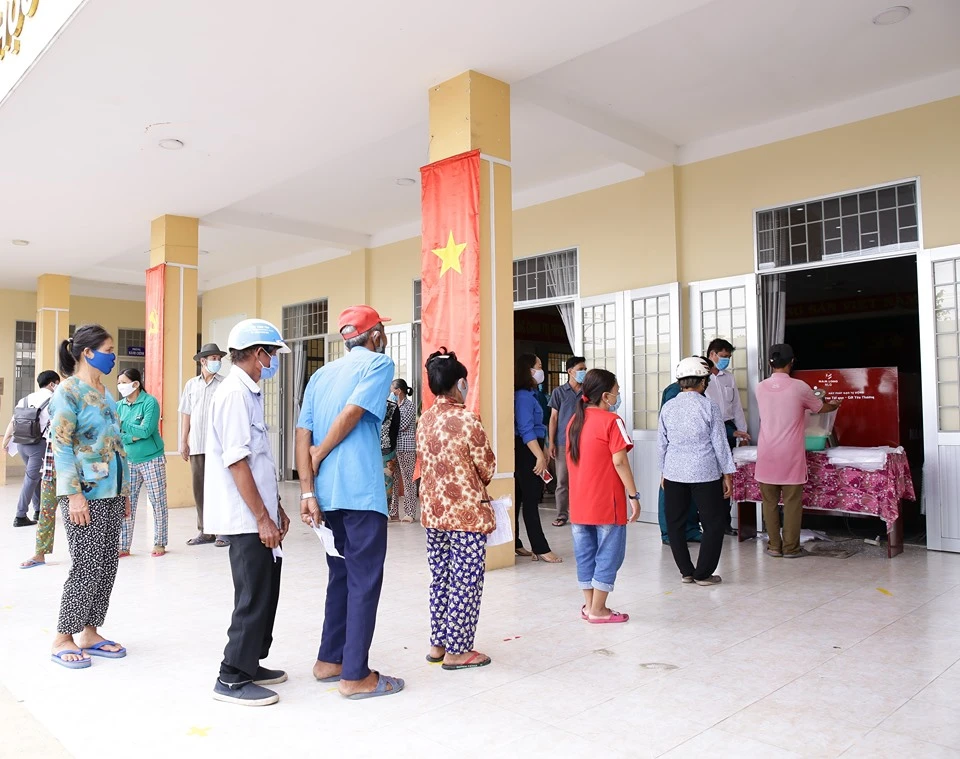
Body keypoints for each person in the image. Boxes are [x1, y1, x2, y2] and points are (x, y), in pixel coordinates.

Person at [297, 305, 405, 700]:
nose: (384, 338)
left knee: (341, 575)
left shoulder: (321, 375)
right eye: (382, 331)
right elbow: (354, 412)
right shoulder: (379, 363)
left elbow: (302, 432)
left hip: (327, 494)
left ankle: (330, 660)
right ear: (374, 335)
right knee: (364, 579)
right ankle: (355, 675)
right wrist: (322, 452)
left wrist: (307, 491)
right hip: (360, 491)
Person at [205, 319, 292, 706]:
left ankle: (250, 662)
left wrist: (276, 507)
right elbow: (238, 462)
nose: (273, 361)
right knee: (253, 594)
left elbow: (258, 461)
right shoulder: (234, 395)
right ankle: (232, 677)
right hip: (244, 518)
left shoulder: (248, 393)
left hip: (258, 512)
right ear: (258, 354)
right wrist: (261, 517)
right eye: (272, 354)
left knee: (266, 589)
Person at [49, 325, 129, 669]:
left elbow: (116, 444)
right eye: (108, 350)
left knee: (107, 563)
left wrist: (125, 491)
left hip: (112, 491)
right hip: (85, 494)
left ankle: (90, 633)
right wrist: (74, 496)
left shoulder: (105, 392)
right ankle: (63, 637)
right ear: (87, 352)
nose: (113, 356)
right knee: (85, 565)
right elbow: (61, 445)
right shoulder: (68, 392)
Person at [419, 348, 496, 669]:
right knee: (466, 580)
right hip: (466, 514)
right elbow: (487, 467)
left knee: (441, 578)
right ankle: (458, 650)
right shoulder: (467, 420)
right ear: (460, 383)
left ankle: (439, 644)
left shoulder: (425, 419)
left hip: (433, 512)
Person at [567, 369, 641, 624]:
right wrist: (633, 495)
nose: (618, 397)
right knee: (609, 554)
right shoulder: (612, 421)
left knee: (585, 554)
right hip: (607, 502)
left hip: (579, 502)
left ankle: (590, 606)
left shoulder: (574, 421)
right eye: (617, 392)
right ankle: (599, 610)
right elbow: (619, 461)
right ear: (606, 395)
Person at [755, 344, 841, 559]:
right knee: (792, 502)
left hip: (766, 452)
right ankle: (791, 548)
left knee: (769, 502)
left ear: (770, 363)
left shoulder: (760, 387)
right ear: (792, 362)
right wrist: (834, 404)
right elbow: (820, 408)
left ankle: (774, 546)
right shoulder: (799, 387)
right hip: (790, 454)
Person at [658, 357, 736, 586]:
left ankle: (686, 572)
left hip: (674, 472)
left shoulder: (668, 407)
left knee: (675, 523)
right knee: (713, 522)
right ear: (703, 382)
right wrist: (727, 473)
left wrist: (663, 471)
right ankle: (703, 573)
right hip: (705, 472)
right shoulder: (709, 406)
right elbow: (720, 443)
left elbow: (662, 444)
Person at [656, 358, 712, 545]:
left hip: (692, 458)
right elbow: (670, 429)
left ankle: (691, 529)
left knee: (690, 498)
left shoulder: (699, 394)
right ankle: (669, 533)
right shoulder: (675, 392)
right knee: (672, 499)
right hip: (677, 457)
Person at [513, 353, 561, 563]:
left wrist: (544, 449)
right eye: (539, 366)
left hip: (532, 447)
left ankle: (515, 542)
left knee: (520, 497)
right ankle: (540, 547)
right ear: (529, 370)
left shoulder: (531, 394)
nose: (542, 370)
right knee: (531, 499)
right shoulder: (523, 397)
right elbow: (526, 430)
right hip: (527, 450)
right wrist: (539, 456)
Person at [179, 342, 227, 547]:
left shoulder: (225, 384)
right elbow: (186, 413)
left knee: (220, 488)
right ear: (203, 361)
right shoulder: (191, 385)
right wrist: (183, 441)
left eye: (219, 358)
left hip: (218, 446)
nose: (217, 361)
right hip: (197, 445)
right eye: (213, 358)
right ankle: (205, 531)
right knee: (200, 490)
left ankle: (223, 531)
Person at [116, 369, 168, 558]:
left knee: (158, 501)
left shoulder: (150, 402)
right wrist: (131, 437)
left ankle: (160, 542)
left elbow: (146, 430)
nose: (120, 386)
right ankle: (124, 545)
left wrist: (123, 425)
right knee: (126, 503)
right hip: (128, 461)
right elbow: (116, 435)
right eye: (119, 383)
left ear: (136, 384)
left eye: (124, 382)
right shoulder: (119, 406)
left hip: (152, 459)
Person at [705, 338, 751, 536]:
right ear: (712, 354)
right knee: (711, 476)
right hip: (709, 428)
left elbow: (737, 407)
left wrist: (743, 432)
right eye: (723, 356)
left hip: (729, 427)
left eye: (728, 357)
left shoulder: (728, 378)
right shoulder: (702, 378)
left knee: (728, 475)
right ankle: (709, 522)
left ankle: (725, 523)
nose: (726, 360)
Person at [3, 370, 60, 527]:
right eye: (58, 383)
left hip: (21, 444)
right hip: (38, 445)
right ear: (52, 384)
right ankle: (20, 516)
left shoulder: (25, 399)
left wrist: (5, 442)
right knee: (32, 478)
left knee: (36, 477)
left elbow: (13, 421)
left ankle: (38, 510)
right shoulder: (54, 400)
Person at [19, 405, 60, 569]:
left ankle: (85, 555)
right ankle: (40, 553)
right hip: (50, 472)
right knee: (45, 513)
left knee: (77, 516)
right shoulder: (52, 412)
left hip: (71, 476)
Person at [547, 356, 586, 527]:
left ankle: (582, 513)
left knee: (582, 479)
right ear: (570, 371)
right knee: (562, 480)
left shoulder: (588, 392)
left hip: (584, 442)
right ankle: (562, 515)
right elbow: (553, 418)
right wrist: (551, 442)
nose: (584, 372)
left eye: (585, 369)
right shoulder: (559, 392)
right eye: (580, 369)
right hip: (563, 442)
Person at [389, 378, 419, 523]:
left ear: (399, 391)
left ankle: (410, 513)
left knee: (408, 480)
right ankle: (393, 512)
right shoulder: (393, 405)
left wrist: (389, 426)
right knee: (393, 480)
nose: (391, 393)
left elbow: (402, 425)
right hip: (394, 447)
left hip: (406, 447)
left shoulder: (409, 406)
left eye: (392, 390)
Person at [381, 392, 402, 507]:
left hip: (382, 449)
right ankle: (383, 509)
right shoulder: (393, 407)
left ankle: (383, 510)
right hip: (385, 449)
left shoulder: (393, 407)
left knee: (386, 483)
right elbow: (395, 429)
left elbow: (395, 429)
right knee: (387, 483)